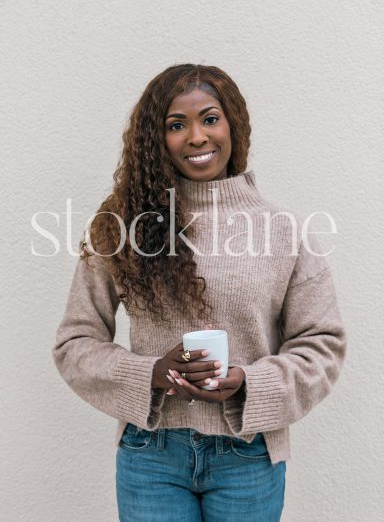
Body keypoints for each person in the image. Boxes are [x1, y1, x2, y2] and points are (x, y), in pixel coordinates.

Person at [52, 64, 347, 521]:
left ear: (234, 124)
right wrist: (150, 372)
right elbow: (74, 344)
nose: (196, 136)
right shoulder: (124, 228)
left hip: (248, 453)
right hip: (151, 453)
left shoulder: (284, 232)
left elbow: (322, 346)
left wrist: (248, 383)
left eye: (210, 118)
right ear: (157, 139)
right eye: (176, 124)